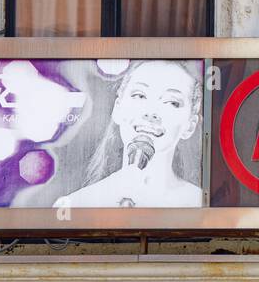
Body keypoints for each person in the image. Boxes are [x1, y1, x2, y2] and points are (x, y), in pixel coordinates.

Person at [57, 60, 204, 208]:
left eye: (172, 102)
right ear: (118, 108)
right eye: (139, 95)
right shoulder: (77, 204)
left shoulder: (202, 205)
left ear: (190, 126)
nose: (151, 112)